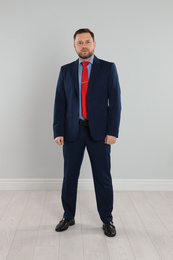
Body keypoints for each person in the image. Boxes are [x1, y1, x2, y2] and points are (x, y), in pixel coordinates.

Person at [53, 28, 121, 237]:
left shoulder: (108, 68)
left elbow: (116, 102)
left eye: (87, 42)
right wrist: (58, 130)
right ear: (74, 46)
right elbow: (60, 102)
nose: (84, 46)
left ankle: (107, 220)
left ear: (94, 44)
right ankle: (68, 216)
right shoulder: (65, 70)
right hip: (73, 132)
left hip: (100, 134)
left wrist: (112, 131)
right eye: (80, 43)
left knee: (102, 177)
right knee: (69, 177)